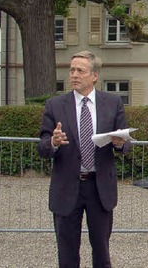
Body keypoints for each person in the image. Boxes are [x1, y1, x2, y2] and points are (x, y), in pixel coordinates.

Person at [37, 50, 132, 267]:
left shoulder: (112, 103)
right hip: (67, 187)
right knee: (67, 253)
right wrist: (53, 142)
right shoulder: (55, 105)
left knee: (101, 251)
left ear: (94, 76)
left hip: (99, 189)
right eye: (72, 70)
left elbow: (125, 143)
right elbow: (42, 147)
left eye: (80, 70)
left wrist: (120, 143)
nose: (74, 75)